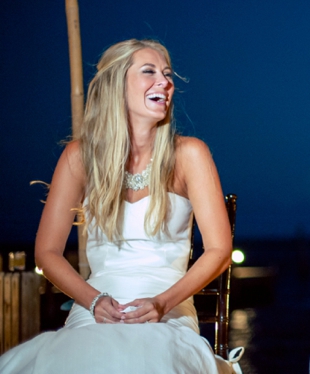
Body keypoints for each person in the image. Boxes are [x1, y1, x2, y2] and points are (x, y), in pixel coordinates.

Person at [0, 39, 243, 373]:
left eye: (167, 74)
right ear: (117, 85)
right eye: (149, 72)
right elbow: (47, 252)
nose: (165, 82)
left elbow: (219, 250)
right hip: (94, 311)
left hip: (166, 313)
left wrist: (162, 303)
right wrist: (94, 301)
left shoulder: (189, 154)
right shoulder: (80, 158)